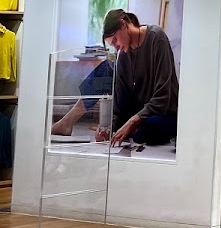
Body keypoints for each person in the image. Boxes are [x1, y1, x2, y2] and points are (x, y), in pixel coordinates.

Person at [50, 9, 180, 146]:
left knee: (149, 128)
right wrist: (109, 128)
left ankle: (134, 128)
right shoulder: (123, 55)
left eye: (115, 40)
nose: (116, 47)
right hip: (140, 113)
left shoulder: (156, 37)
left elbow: (163, 96)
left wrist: (131, 122)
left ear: (123, 24)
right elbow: (121, 108)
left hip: (162, 112)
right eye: (113, 44)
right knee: (106, 68)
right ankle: (67, 122)